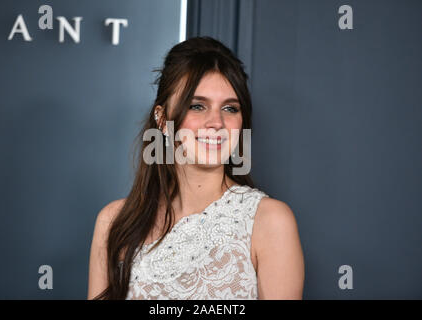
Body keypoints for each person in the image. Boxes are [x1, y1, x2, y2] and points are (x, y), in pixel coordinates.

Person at [87, 36, 304, 300]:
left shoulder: (270, 221)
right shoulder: (113, 221)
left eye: (230, 108)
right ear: (162, 118)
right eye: (197, 106)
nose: (216, 122)